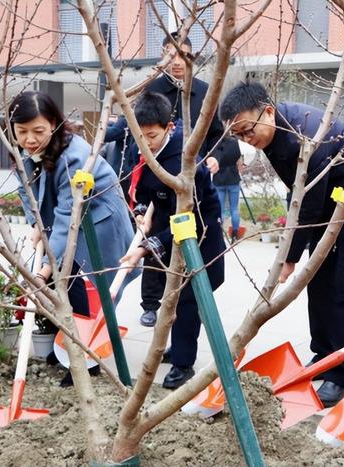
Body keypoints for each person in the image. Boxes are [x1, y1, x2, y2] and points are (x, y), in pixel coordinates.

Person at [219, 81, 344, 406]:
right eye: (238, 136)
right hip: (327, 203)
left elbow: (307, 204)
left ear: (267, 111)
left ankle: (340, 377)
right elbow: (299, 197)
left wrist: (289, 257)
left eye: (247, 131)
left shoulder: (306, 134)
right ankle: (323, 356)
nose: (246, 140)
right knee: (319, 282)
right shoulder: (271, 131)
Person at [10, 91, 138, 386]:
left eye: (38, 131)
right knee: (64, 285)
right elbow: (27, 193)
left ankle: (85, 360)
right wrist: (35, 224)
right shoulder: (24, 152)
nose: (29, 139)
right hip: (65, 221)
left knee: (85, 287)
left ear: (54, 123)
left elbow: (69, 217)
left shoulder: (75, 156)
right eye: (22, 132)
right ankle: (68, 345)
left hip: (98, 224)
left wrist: (43, 269)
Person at [105, 32, 224, 328]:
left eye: (182, 56)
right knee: (160, 265)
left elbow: (220, 137)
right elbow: (138, 178)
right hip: (161, 207)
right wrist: (142, 211)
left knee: (193, 286)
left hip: (192, 213)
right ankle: (155, 310)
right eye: (170, 56)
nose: (176, 63)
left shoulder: (203, 96)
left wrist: (215, 157)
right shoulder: (148, 99)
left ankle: (184, 338)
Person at [119, 92, 225, 389]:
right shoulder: (143, 147)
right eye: (140, 136)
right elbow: (141, 186)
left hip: (199, 233)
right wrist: (142, 210)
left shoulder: (184, 159)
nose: (145, 143)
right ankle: (177, 349)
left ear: (169, 127)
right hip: (169, 225)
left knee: (191, 297)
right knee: (174, 293)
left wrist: (145, 248)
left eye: (151, 136)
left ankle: (183, 364)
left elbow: (191, 216)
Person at [212, 136, 243, 242]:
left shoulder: (216, 143)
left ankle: (219, 233)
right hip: (233, 177)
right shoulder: (236, 142)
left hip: (219, 177)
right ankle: (235, 234)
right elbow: (240, 161)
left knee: (220, 209)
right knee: (234, 208)